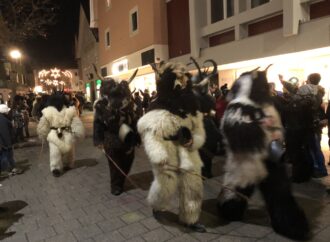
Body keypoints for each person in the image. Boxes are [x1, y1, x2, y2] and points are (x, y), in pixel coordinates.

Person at [138, 62, 206, 232]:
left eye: (184, 82)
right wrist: (159, 156)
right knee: (165, 187)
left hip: (188, 154)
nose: (182, 85)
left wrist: (193, 141)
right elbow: (150, 136)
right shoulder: (157, 109)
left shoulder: (192, 109)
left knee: (193, 186)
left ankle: (190, 218)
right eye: (178, 81)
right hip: (167, 153)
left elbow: (199, 131)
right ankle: (157, 205)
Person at [94, 71, 140, 196]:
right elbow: (98, 123)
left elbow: (135, 121)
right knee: (115, 164)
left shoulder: (130, 104)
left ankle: (121, 179)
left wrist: (137, 137)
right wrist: (98, 140)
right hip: (111, 139)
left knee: (128, 161)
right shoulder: (101, 105)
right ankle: (116, 186)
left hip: (128, 139)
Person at [37, 91, 85, 177]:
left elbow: (43, 125)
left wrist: (43, 134)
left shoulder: (48, 111)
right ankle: (68, 164)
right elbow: (76, 123)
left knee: (55, 152)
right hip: (67, 133)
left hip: (53, 134)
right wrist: (78, 132)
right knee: (69, 150)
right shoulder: (70, 110)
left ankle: (56, 167)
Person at [0, 104, 22, 177]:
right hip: (5, 143)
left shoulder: (2, 118)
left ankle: (9, 168)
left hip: (2, 142)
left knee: (5, 156)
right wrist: (9, 144)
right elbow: (5, 133)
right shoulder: (3, 120)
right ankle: (9, 169)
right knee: (7, 156)